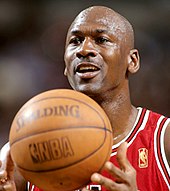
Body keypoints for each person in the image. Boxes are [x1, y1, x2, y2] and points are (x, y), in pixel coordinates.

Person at [0, 5, 169, 191]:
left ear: (133, 61)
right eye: (76, 41)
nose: (84, 49)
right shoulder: (23, 153)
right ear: (65, 65)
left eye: (101, 40)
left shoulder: (163, 140)